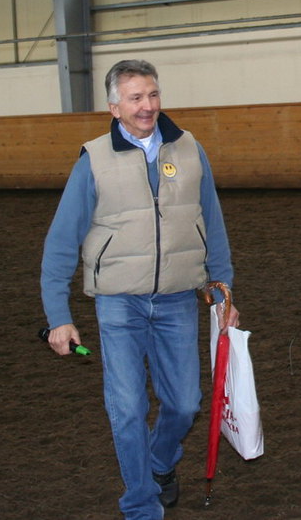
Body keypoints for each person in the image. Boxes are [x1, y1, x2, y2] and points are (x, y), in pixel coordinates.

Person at [40, 59, 239, 520]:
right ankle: (141, 504)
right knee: (127, 409)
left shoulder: (190, 149)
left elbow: (213, 222)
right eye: (135, 98)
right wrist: (59, 315)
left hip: (176, 300)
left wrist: (223, 288)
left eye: (152, 94)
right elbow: (61, 242)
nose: (146, 106)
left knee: (185, 405)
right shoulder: (93, 160)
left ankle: (159, 462)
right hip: (118, 304)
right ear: (114, 107)